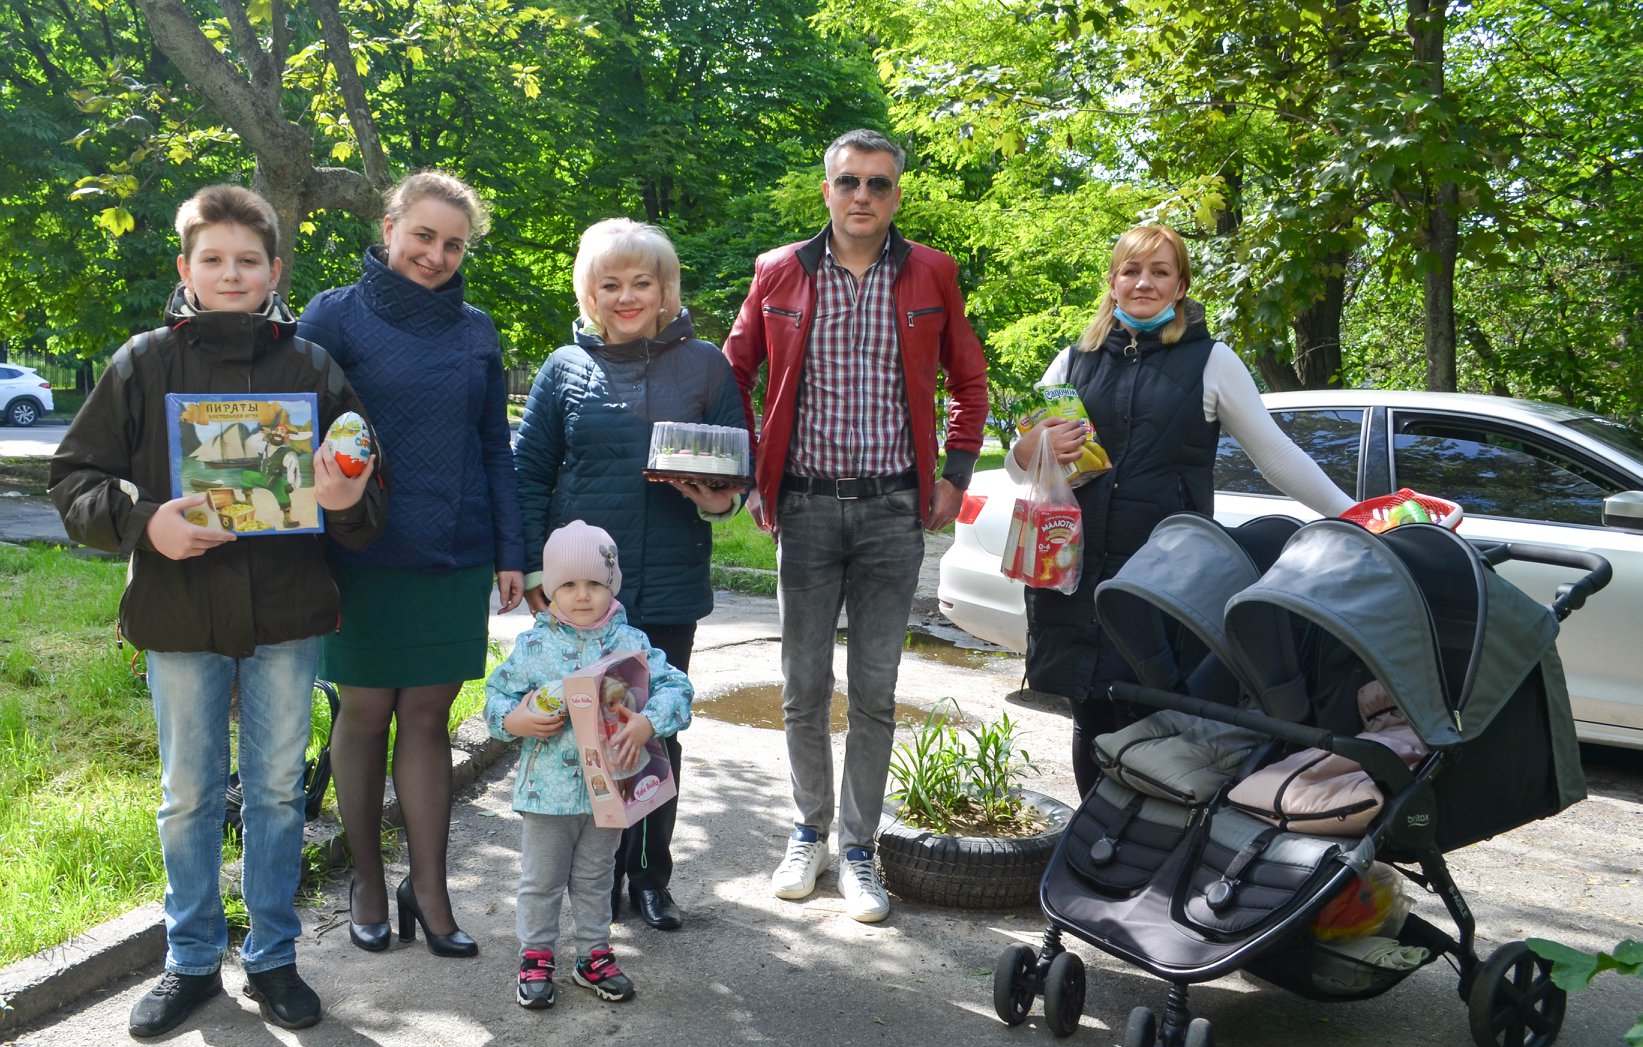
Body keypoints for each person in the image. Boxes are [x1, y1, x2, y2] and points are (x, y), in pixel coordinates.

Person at [49, 184, 386, 1037]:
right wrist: (144, 524)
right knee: (188, 793)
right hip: (179, 616)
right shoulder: (141, 363)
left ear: (275, 270)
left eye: (247, 260)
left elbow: (362, 494)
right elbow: (74, 480)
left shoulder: (311, 369)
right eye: (213, 260)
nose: (231, 274)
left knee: (275, 789)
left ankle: (272, 955)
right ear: (186, 270)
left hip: (286, 617)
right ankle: (191, 958)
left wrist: (344, 492)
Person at [722, 128, 990, 923]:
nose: (862, 196)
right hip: (802, 506)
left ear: (896, 194)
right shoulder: (778, 270)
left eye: (877, 183)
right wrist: (746, 470)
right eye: (848, 183)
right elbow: (734, 370)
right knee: (804, 687)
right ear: (827, 190)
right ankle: (808, 830)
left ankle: (860, 850)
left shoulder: (931, 272)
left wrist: (954, 476)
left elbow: (967, 384)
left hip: (891, 512)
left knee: (875, 691)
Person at [1008, 223, 1357, 798]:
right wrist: (1029, 449)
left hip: (1164, 578)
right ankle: (1093, 850)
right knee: (1090, 716)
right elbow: (1025, 466)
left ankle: (1146, 855)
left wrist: (1355, 514)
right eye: (1131, 271)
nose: (1144, 282)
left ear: (1180, 285)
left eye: (1160, 271)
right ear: (1113, 282)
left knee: (1156, 723)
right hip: (1075, 572)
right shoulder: (1073, 362)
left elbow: (1274, 454)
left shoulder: (1213, 361)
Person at [298, 171, 525, 958]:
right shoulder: (332, 314)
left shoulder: (476, 329)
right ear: (390, 226)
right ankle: (366, 878)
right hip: (358, 552)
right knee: (362, 718)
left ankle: (428, 886)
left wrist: (510, 551)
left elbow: (494, 445)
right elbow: (298, 431)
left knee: (427, 719)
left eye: (452, 244)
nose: (435, 254)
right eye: (423, 236)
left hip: (451, 551)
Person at [513, 218, 743, 931]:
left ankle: (650, 876)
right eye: (609, 283)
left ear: (665, 289)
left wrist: (720, 497)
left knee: (654, 730)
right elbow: (528, 472)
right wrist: (528, 571)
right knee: (580, 727)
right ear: (590, 291)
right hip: (580, 595)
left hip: (667, 580)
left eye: (641, 282)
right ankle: (595, 881)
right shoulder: (563, 368)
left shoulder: (705, 364)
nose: (626, 295)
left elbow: (736, 472)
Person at [485, 520, 694, 1009]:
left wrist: (648, 722)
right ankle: (536, 955)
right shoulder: (533, 647)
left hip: (612, 791)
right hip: (547, 794)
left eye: (596, 584)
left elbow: (678, 689)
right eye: (569, 585)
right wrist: (514, 721)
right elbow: (495, 698)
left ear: (612, 585)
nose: (583, 596)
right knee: (541, 879)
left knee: (597, 877)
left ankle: (593, 954)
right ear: (551, 589)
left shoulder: (633, 644)